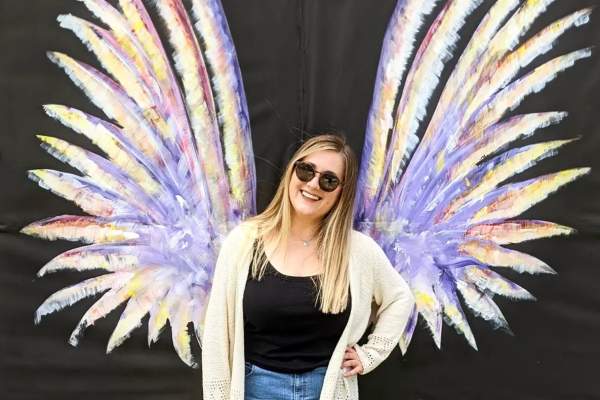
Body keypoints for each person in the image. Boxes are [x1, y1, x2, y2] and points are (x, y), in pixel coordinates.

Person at [201, 133, 415, 400]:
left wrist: (370, 354)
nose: (313, 184)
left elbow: (400, 298)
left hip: (327, 389)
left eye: (328, 180)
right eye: (306, 170)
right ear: (292, 172)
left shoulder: (357, 250)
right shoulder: (244, 242)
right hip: (255, 389)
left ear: (341, 193)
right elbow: (216, 333)